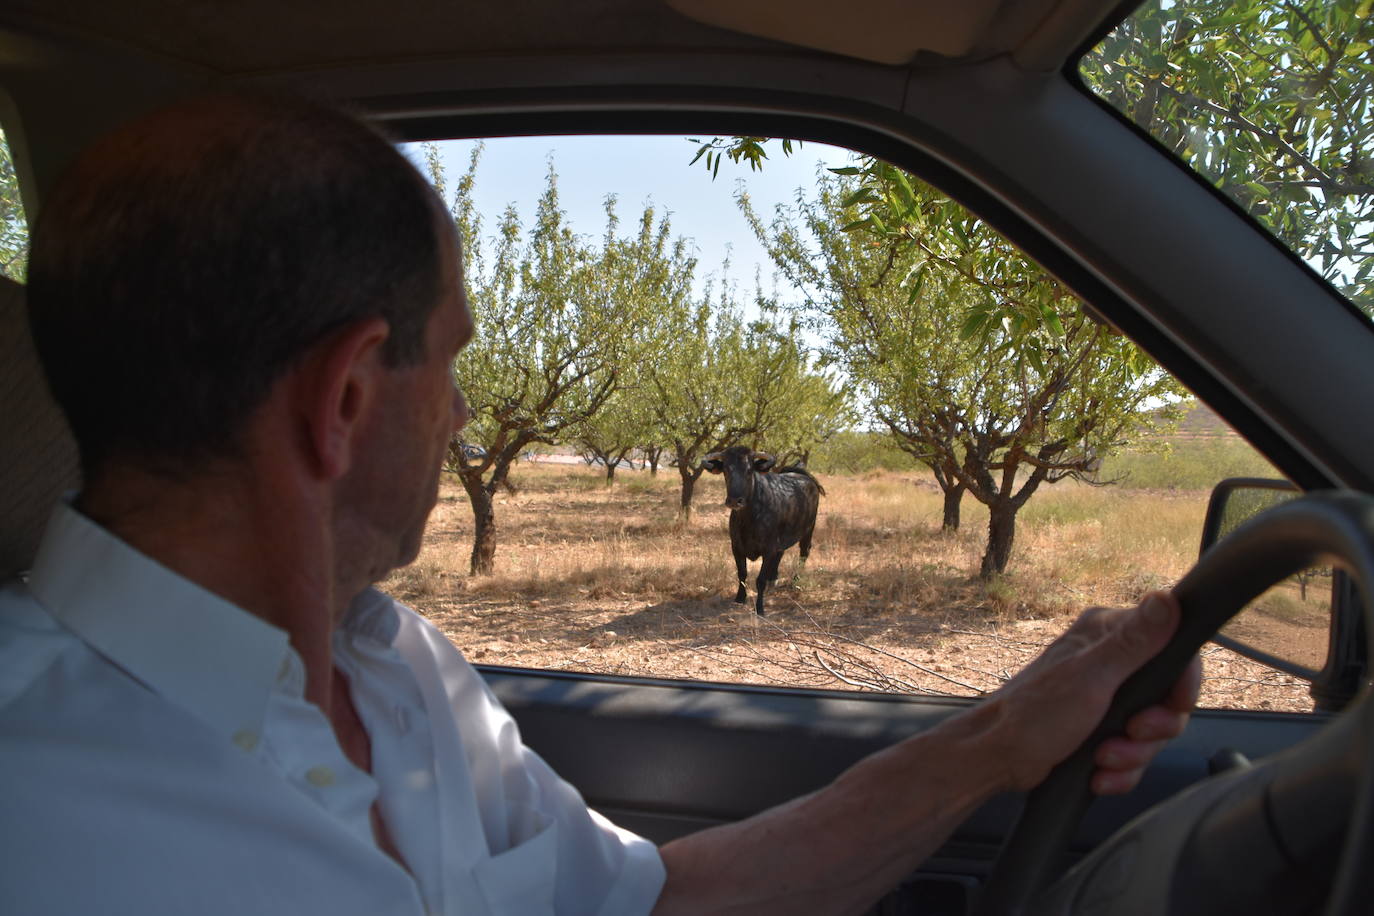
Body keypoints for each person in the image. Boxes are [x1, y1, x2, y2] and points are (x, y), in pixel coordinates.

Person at [0, 93, 1200, 915]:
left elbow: (661, 900)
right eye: (453, 363)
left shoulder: (403, 668)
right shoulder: (35, 810)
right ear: (349, 399)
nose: (465, 418)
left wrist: (997, 740)